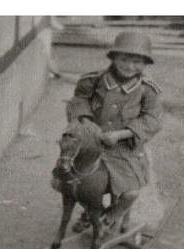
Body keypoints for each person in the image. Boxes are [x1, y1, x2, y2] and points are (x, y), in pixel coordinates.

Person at [65, 31, 162, 234]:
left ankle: (108, 217)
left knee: (131, 193)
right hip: (93, 143)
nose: (129, 66)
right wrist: (86, 121)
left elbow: (151, 120)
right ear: (113, 58)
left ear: (145, 64)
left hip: (124, 149)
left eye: (137, 61)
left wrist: (121, 134)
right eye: (124, 59)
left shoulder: (147, 90)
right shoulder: (94, 80)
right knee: (72, 181)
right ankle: (91, 211)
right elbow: (79, 100)